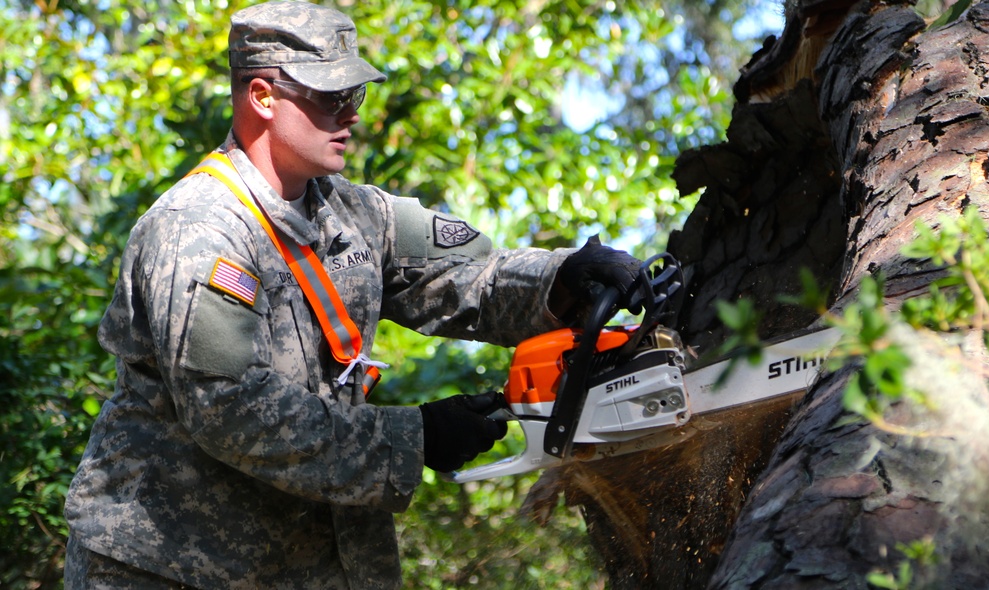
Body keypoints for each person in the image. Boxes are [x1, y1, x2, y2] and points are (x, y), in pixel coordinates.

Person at [63, 1, 643, 588]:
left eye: (355, 97)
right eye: (329, 97)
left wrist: (564, 277)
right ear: (262, 97)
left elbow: (466, 278)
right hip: (167, 570)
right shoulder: (199, 230)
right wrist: (414, 439)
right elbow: (231, 407)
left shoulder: (352, 211)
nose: (351, 115)